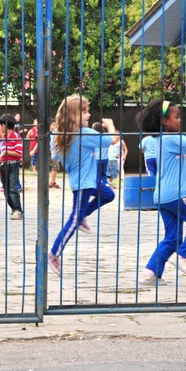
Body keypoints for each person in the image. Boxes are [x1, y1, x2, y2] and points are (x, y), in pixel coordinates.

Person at [136, 99, 186, 285]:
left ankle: (150, 272)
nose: (180, 120)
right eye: (176, 117)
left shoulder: (160, 140)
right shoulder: (173, 138)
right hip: (177, 194)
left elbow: (183, 159)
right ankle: (184, 256)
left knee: (173, 238)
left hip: (162, 197)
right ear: (164, 121)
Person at [47, 95, 118, 276]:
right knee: (74, 219)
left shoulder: (60, 136)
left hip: (88, 180)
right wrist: (110, 125)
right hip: (84, 183)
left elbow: (55, 156)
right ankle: (54, 253)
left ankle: (82, 216)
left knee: (109, 195)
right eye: (84, 112)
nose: (89, 115)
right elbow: (113, 140)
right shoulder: (84, 134)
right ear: (73, 115)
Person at [0, 114, 24, 220]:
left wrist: (5, 152)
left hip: (12, 165)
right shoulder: (5, 138)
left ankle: (18, 210)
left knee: (12, 188)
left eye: (0, 125)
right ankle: (13, 208)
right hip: (3, 166)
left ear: (3, 125)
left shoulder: (15, 136)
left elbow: (19, 153)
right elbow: (3, 154)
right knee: (6, 190)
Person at [48, 118, 61, 189]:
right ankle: (52, 182)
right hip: (52, 152)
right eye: (53, 125)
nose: (55, 126)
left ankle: (52, 181)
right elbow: (53, 144)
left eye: (56, 125)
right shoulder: (51, 133)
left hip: (54, 152)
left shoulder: (54, 132)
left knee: (55, 167)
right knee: (55, 167)